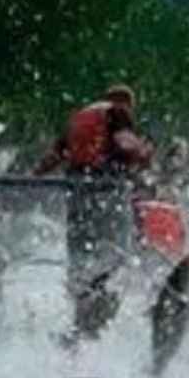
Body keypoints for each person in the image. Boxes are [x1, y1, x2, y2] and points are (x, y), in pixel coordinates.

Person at [32, 84, 153, 341]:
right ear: (126, 102)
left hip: (77, 198)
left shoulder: (81, 118)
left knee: (80, 264)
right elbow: (126, 144)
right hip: (107, 197)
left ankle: (76, 330)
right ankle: (96, 327)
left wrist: (33, 177)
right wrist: (143, 154)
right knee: (116, 260)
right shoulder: (118, 113)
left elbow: (52, 158)